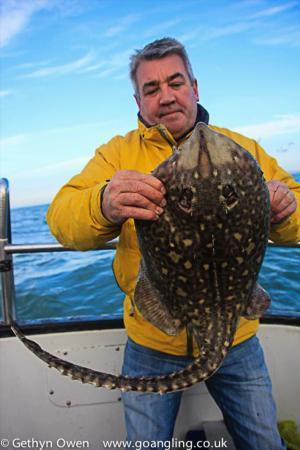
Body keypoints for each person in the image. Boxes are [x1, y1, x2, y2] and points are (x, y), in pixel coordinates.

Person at [47, 38, 300, 449]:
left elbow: (297, 221)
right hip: (152, 342)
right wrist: (103, 202)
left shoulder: (241, 149)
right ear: (138, 100)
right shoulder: (118, 154)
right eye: (151, 89)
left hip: (237, 337)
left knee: (264, 442)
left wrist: (286, 209)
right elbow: (61, 220)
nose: (165, 96)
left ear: (195, 88)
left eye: (175, 82)